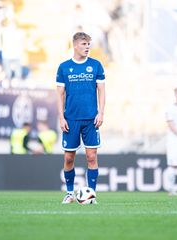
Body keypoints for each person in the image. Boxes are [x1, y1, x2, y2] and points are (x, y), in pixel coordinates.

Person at [56, 32, 105, 204]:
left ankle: (91, 194)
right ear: (75, 45)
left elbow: (101, 90)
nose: (87, 47)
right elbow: (60, 95)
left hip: (91, 119)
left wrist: (101, 112)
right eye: (84, 44)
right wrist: (61, 117)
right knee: (69, 158)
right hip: (71, 119)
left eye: (88, 44)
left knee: (92, 157)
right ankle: (69, 193)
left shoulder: (96, 65)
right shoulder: (64, 67)